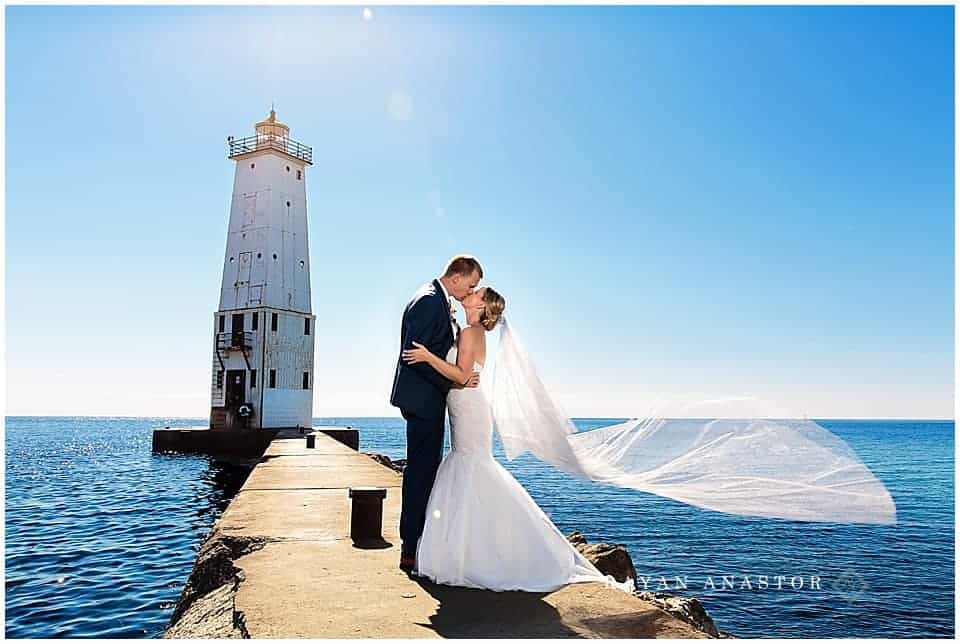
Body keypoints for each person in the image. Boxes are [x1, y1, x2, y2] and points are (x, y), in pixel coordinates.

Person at [402, 286, 630, 592]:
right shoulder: (465, 330)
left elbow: (460, 375)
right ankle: (469, 550)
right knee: (466, 469)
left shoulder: (472, 333)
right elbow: (461, 373)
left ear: (482, 306)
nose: (471, 291)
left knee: (471, 468)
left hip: (469, 407)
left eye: (476, 291)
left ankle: (479, 553)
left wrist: (428, 356)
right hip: (464, 405)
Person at [390, 255, 482, 573]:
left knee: (425, 471)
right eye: (471, 284)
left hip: (426, 399)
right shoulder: (430, 301)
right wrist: (455, 380)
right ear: (456, 277)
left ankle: (419, 541)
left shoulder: (436, 299)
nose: (471, 290)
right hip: (423, 400)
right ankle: (411, 548)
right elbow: (413, 356)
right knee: (420, 474)